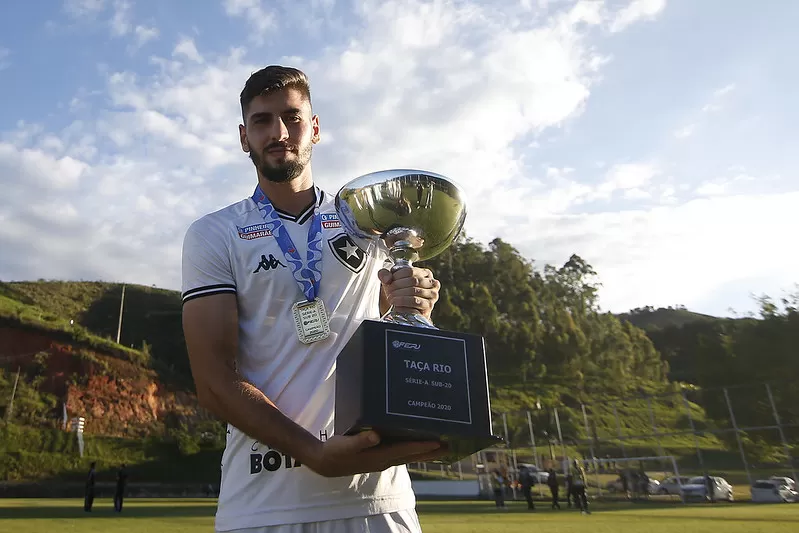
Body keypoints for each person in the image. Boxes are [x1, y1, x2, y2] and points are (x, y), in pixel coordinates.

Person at [181, 65, 449, 533]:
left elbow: (381, 329)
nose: (279, 132)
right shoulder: (215, 233)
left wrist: (415, 304)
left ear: (316, 128)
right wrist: (313, 453)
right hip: (264, 504)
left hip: (377, 498)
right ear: (244, 137)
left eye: (292, 117)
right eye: (262, 121)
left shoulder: (369, 221)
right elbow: (214, 381)